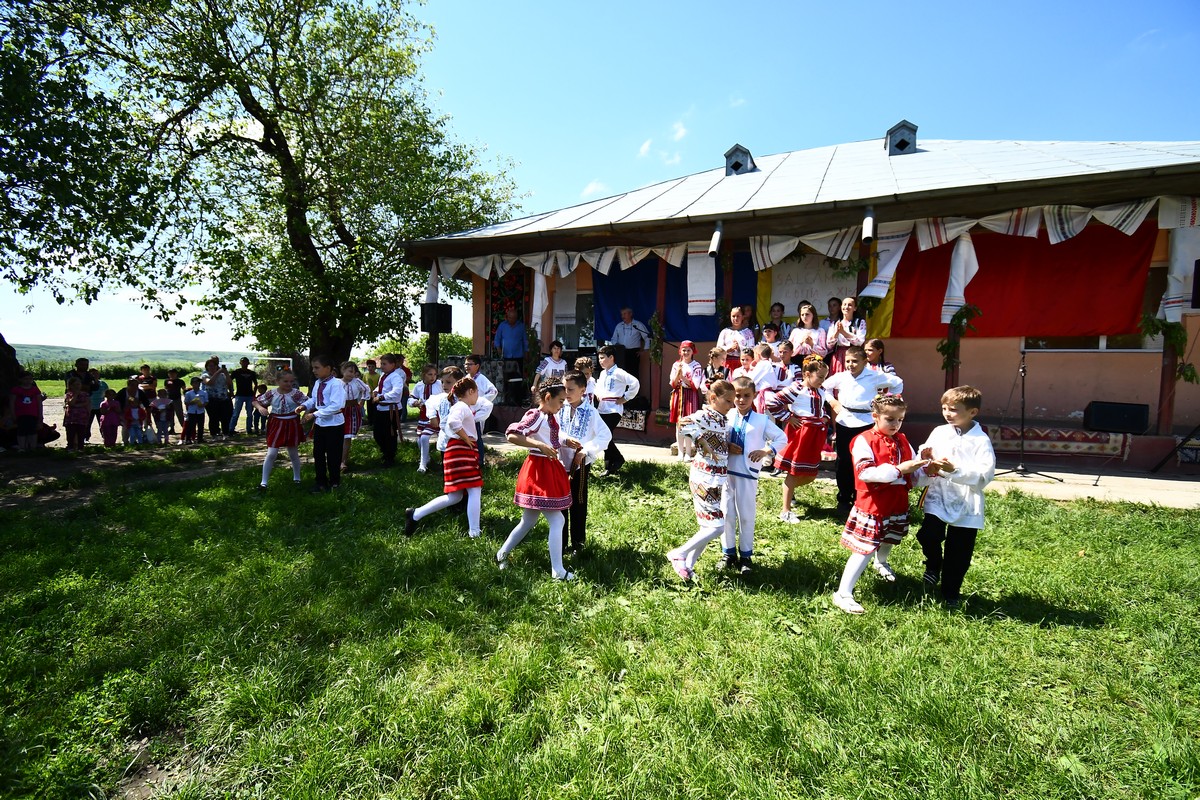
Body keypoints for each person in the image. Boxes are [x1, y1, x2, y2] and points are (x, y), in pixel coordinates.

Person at [832, 394, 929, 615]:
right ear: (875, 416)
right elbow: (865, 472)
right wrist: (899, 470)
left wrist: (927, 471)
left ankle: (881, 562)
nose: (896, 424)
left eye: (900, 419)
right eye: (890, 419)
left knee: (890, 536)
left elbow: (912, 473)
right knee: (864, 548)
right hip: (873, 504)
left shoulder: (902, 440)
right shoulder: (863, 440)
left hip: (896, 501)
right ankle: (843, 592)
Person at [916, 386, 996, 608]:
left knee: (959, 550)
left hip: (966, 498)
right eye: (944, 408)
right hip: (939, 493)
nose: (947, 413)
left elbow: (984, 475)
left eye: (953, 409)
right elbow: (925, 451)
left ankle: (951, 591)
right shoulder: (940, 431)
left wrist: (955, 470)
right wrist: (925, 457)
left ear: (972, 412)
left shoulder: (980, 441)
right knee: (928, 534)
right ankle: (933, 564)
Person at [495, 382, 574, 580]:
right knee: (558, 519)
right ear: (548, 398)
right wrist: (538, 444)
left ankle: (502, 553)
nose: (562, 405)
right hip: (540, 469)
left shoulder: (549, 417)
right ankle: (558, 571)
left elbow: (550, 436)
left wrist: (565, 441)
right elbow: (512, 435)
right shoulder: (536, 415)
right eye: (560, 401)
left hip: (546, 467)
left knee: (528, 521)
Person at [665, 380, 735, 581]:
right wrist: (700, 440)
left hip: (716, 478)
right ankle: (679, 553)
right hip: (704, 477)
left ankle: (688, 566)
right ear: (713, 398)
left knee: (709, 526)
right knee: (717, 526)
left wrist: (726, 446)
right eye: (727, 401)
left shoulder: (721, 418)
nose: (731, 405)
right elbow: (683, 423)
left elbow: (717, 440)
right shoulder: (704, 415)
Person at [717, 376, 787, 575]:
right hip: (727, 473)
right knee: (727, 513)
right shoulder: (726, 415)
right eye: (737, 395)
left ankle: (746, 556)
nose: (741, 400)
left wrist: (767, 451)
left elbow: (782, 437)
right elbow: (717, 437)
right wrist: (727, 446)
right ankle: (728, 553)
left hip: (748, 474)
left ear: (754, 396)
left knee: (746, 515)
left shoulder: (761, 420)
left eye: (746, 395)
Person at [823, 345, 904, 515]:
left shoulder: (874, 376)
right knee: (844, 460)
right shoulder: (842, 376)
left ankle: (861, 497)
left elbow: (898, 383)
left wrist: (886, 402)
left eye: (855, 361)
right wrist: (833, 402)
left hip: (866, 422)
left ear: (865, 361)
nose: (851, 365)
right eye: (848, 361)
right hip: (845, 420)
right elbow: (824, 387)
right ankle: (844, 498)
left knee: (865, 460)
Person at [405, 377, 487, 539]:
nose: (478, 397)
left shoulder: (461, 406)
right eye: (477, 393)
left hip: (457, 452)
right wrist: (465, 438)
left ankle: (416, 514)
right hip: (461, 452)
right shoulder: (462, 406)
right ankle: (474, 532)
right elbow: (453, 423)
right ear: (471, 391)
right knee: (474, 489)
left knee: (455, 496)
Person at [557, 370, 611, 558]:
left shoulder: (591, 412)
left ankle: (578, 544)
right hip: (558, 463)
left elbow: (605, 435)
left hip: (579, 466)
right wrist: (564, 440)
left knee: (578, 503)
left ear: (583, 390)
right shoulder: (560, 408)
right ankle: (560, 543)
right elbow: (552, 430)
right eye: (564, 389)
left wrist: (585, 451)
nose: (567, 393)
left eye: (571, 389)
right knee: (560, 504)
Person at [769, 356, 829, 522]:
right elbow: (773, 401)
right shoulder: (797, 388)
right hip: (801, 433)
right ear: (807, 374)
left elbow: (819, 408)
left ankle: (789, 492)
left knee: (810, 474)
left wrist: (824, 417)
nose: (822, 380)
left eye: (825, 377)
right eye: (820, 377)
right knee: (794, 472)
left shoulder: (820, 390)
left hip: (814, 434)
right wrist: (788, 417)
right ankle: (785, 510)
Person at [254, 371, 308, 490]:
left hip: (292, 423)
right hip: (276, 423)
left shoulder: (296, 394)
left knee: (293, 452)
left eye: (291, 381)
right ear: (277, 381)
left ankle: (297, 479)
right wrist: (260, 408)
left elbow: (309, 403)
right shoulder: (272, 393)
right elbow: (256, 401)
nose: (289, 384)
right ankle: (264, 482)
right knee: (272, 453)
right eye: (285, 381)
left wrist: (305, 414)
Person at [300, 355, 346, 493]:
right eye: (313, 367)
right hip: (321, 424)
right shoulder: (318, 383)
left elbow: (336, 406)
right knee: (318, 453)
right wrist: (303, 406)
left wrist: (314, 414)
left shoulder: (336, 384)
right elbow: (314, 399)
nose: (314, 370)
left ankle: (334, 482)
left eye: (317, 367)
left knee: (333, 454)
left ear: (327, 368)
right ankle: (320, 482)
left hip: (334, 424)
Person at [594, 345, 640, 476]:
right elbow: (598, 387)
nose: (600, 361)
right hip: (602, 408)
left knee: (605, 436)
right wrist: (598, 394)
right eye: (599, 358)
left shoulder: (618, 372)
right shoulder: (603, 373)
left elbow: (634, 383)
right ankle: (611, 465)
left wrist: (626, 397)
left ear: (611, 358)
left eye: (603, 358)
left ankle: (616, 460)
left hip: (613, 409)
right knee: (602, 436)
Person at [668, 340, 703, 463]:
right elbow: (673, 383)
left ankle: (688, 453)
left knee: (689, 424)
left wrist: (682, 377)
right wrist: (678, 374)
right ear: (680, 351)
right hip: (678, 394)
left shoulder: (696, 366)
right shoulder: (676, 365)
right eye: (684, 350)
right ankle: (680, 452)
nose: (686, 352)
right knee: (679, 424)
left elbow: (695, 385)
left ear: (693, 351)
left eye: (688, 350)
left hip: (690, 395)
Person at [372, 353, 406, 467]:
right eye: (381, 363)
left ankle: (390, 457)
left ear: (392, 364)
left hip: (391, 409)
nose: (382, 366)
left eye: (384, 364)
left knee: (389, 433)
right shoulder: (383, 375)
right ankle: (385, 452)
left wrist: (382, 397)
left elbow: (396, 391)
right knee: (377, 433)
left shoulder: (395, 377)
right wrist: (376, 391)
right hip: (381, 408)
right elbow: (381, 387)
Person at [465, 354, 499, 466]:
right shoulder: (466, 379)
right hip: (466, 412)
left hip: (477, 413)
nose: (467, 366)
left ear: (477, 366)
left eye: (470, 364)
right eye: (466, 364)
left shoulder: (481, 379)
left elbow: (493, 391)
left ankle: (480, 461)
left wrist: (480, 402)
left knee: (477, 435)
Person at [409, 364, 442, 473]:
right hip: (423, 415)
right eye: (430, 374)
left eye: (435, 374)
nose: (433, 377)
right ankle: (426, 459)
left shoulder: (439, 384)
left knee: (426, 438)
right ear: (423, 375)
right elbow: (411, 398)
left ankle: (422, 465)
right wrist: (414, 403)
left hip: (437, 415)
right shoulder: (418, 386)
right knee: (420, 440)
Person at [338, 361, 370, 472]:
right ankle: (335, 460)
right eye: (349, 371)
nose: (352, 374)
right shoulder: (337, 383)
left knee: (347, 436)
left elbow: (366, 389)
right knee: (338, 436)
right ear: (343, 370)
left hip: (352, 410)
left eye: (354, 372)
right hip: (339, 411)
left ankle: (343, 462)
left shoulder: (357, 382)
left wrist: (362, 401)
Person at [825, 297, 867, 374]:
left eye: (850, 305)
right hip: (839, 356)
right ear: (841, 307)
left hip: (854, 355)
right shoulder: (835, 323)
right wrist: (837, 333)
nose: (846, 307)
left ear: (855, 308)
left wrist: (844, 332)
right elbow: (829, 345)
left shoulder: (859, 322)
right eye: (844, 304)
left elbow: (859, 342)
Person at [610, 306, 651, 377]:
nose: (623, 316)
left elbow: (647, 337)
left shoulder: (638, 324)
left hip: (633, 352)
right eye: (622, 314)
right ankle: (623, 388)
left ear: (630, 314)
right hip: (621, 352)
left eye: (625, 314)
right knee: (621, 373)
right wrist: (617, 346)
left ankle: (634, 388)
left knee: (633, 374)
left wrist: (645, 350)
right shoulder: (619, 326)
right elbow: (613, 339)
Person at [10, 371, 45, 452]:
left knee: (32, 431)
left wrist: (40, 415)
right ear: (20, 380)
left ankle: (32, 447)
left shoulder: (35, 390)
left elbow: (39, 403)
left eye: (30, 379)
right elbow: (12, 403)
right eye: (25, 379)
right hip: (20, 414)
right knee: (21, 431)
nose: (28, 381)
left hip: (33, 414)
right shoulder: (16, 390)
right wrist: (13, 414)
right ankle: (22, 447)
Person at [716, 306, 756, 373]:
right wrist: (729, 349)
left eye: (738, 316)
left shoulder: (748, 332)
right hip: (726, 363)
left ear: (743, 317)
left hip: (743, 363)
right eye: (733, 316)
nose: (736, 318)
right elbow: (718, 348)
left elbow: (752, 349)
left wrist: (739, 348)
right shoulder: (725, 332)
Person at [201, 358, 233, 440]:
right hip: (212, 399)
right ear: (207, 367)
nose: (212, 367)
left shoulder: (222, 375)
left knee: (225, 417)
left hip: (223, 398)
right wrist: (218, 372)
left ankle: (225, 433)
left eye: (214, 366)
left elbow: (229, 383)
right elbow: (210, 383)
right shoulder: (205, 375)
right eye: (210, 366)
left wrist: (226, 373)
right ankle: (214, 434)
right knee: (213, 417)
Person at [229, 357, 259, 434]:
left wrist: (254, 394)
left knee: (249, 413)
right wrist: (231, 391)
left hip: (249, 395)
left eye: (246, 362)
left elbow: (256, 384)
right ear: (240, 363)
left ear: (248, 363)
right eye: (243, 362)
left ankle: (249, 429)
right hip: (239, 395)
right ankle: (231, 429)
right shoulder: (236, 372)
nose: (244, 363)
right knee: (236, 413)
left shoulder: (251, 373)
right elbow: (229, 381)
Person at [121, 379, 151, 445]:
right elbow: (117, 403)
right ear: (128, 385)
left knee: (139, 426)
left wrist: (148, 417)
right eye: (132, 385)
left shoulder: (140, 392)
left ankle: (138, 440)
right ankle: (125, 441)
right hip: (125, 412)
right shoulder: (123, 392)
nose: (135, 387)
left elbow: (147, 405)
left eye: (136, 385)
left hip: (137, 412)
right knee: (126, 426)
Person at [183, 378, 208, 444]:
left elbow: (206, 401)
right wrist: (192, 402)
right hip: (192, 411)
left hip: (200, 411)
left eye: (198, 383)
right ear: (192, 384)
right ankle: (188, 439)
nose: (197, 384)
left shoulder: (204, 392)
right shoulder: (188, 393)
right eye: (195, 383)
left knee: (200, 426)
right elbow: (186, 402)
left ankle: (200, 438)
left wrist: (202, 405)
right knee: (191, 426)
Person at [164, 368, 187, 435]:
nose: (171, 375)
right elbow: (166, 389)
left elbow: (184, 389)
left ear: (176, 374)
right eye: (170, 373)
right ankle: (172, 428)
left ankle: (184, 427)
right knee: (170, 415)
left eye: (173, 373)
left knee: (179, 414)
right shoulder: (166, 381)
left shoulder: (180, 381)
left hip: (177, 399)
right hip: (169, 399)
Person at [87, 368, 108, 441]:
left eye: (96, 373)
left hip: (100, 407)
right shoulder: (87, 384)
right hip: (90, 406)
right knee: (87, 423)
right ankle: (86, 438)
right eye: (93, 374)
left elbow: (107, 394)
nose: (95, 375)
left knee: (103, 423)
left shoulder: (103, 384)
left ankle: (105, 437)